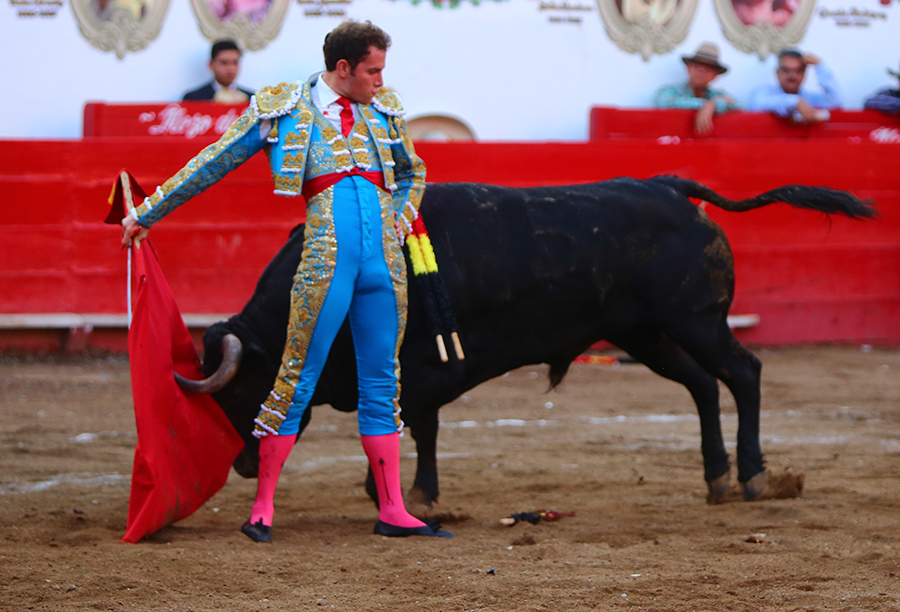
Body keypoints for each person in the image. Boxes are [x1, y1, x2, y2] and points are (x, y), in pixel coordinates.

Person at [122, 20, 452, 541]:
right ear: (343, 69)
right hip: (326, 261)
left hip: (384, 266)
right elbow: (214, 161)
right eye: (372, 70)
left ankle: (392, 509)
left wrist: (399, 214)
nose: (380, 80)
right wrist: (149, 211)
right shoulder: (283, 107)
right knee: (296, 377)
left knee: (383, 383)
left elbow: (414, 171)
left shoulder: (385, 109)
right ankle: (262, 508)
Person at [654, 43, 739, 134]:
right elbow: (662, 101)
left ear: (715, 75)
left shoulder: (717, 95)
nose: (701, 72)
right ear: (688, 68)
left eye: (708, 69)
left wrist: (713, 105)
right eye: (697, 66)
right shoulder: (671, 91)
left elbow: (737, 104)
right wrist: (705, 104)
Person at [747, 49, 842, 124]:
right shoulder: (764, 93)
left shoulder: (810, 99)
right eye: (786, 70)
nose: (792, 76)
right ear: (777, 72)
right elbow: (757, 103)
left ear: (804, 73)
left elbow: (836, 102)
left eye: (798, 70)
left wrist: (820, 65)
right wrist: (794, 102)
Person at [182, 39, 254, 104]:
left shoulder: (252, 99)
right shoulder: (193, 99)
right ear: (211, 65)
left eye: (235, 63)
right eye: (224, 63)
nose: (230, 68)